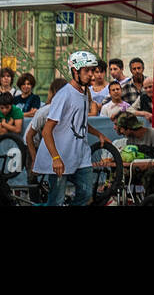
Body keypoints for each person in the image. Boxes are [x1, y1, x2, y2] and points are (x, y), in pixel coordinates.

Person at [33, 52, 107, 207]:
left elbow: (81, 122)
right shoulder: (64, 95)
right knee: (56, 201)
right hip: (61, 156)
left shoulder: (85, 93)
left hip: (80, 155)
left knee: (86, 194)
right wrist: (55, 158)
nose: (91, 75)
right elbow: (47, 130)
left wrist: (99, 134)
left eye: (92, 70)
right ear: (75, 71)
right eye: (87, 71)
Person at [113, 111, 154, 197]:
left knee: (151, 175)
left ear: (129, 128)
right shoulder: (130, 139)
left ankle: (151, 201)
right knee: (118, 175)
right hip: (136, 168)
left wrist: (147, 165)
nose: (121, 131)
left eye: (122, 128)